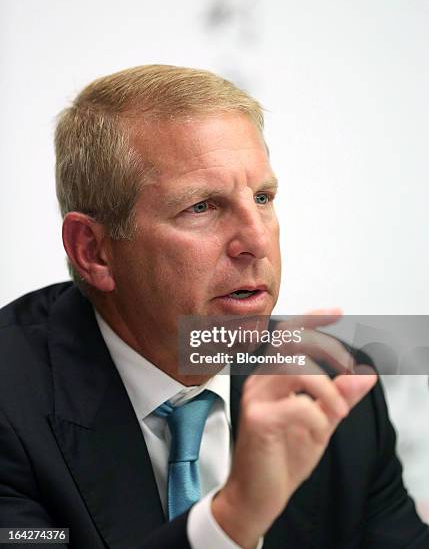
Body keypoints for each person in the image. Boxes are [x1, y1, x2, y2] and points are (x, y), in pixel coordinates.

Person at [0, 64, 427, 549]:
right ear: (94, 250)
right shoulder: (12, 406)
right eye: (202, 206)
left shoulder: (329, 387)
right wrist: (232, 520)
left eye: (263, 198)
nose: (256, 241)